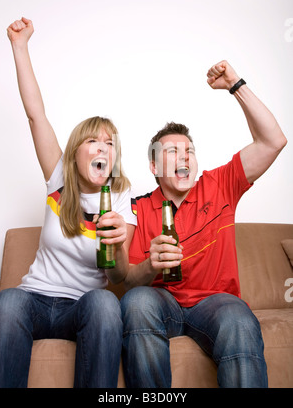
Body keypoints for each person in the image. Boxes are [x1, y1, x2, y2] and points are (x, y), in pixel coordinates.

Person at [121, 60, 287, 388]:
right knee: (136, 302)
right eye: (172, 152)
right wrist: (150, 266)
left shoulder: (220, 184)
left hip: (216, 303)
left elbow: (274, 141)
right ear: (154, 166)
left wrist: (236, 85)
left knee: (239, 319)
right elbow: (127, 280)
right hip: (163, 303)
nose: (184, 157)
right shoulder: (138, 209)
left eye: (189, 151)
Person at [0, 17, 136, 388]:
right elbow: (35, 113)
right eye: (94, 141)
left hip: (83, 306)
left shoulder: (120, 197)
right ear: (75, 153)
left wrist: (119, 245)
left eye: (109, 143)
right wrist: (20, 47)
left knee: (106, 304)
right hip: (35, 299)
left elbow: (119, 277)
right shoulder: (59, 180)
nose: (103, 147)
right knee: (7, 301)